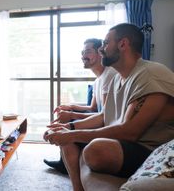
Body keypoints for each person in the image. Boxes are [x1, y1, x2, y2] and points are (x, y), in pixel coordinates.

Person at [44, 23, 174, 191]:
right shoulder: (117, 78)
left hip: (150, 148)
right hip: (127, 142)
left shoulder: (150, 74)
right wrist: (68, 128)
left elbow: (130, 132)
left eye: (105, 43)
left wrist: (73, 133)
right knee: (68, 141)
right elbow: (104, 116)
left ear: (123, 44)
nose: (102, 49)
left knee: (96, 150)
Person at [43, 38, 116, 174]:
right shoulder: (98, 80)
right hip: (100, 118)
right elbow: (93, 108)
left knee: (68, 124)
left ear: (101, 52)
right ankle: (63, 162)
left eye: (87, 52)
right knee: (67, 118)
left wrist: (71, 115)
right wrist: (70, 107)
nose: (83, 56)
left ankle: (65, 161)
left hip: (106, 125)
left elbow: (104, 115)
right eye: (82, 52)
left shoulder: (109, 75)